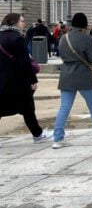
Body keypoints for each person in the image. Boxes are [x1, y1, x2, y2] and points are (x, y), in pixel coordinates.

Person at [53, 12, 92, 149]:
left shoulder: (63, 38)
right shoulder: (87, 39)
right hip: (83, 75)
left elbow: (61, 55)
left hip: (66, 75)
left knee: (64, 107)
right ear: (85, 25)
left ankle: (57, 138)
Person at [0, 13, 49, 143]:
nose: (24, 23)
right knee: (27, 108)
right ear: (14, 22)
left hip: (2, 81)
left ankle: (37, 134)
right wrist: (33, 80)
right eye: (21, 21)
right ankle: (37, 135)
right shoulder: (17, 38)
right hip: (18, 81)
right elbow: (24, 62)